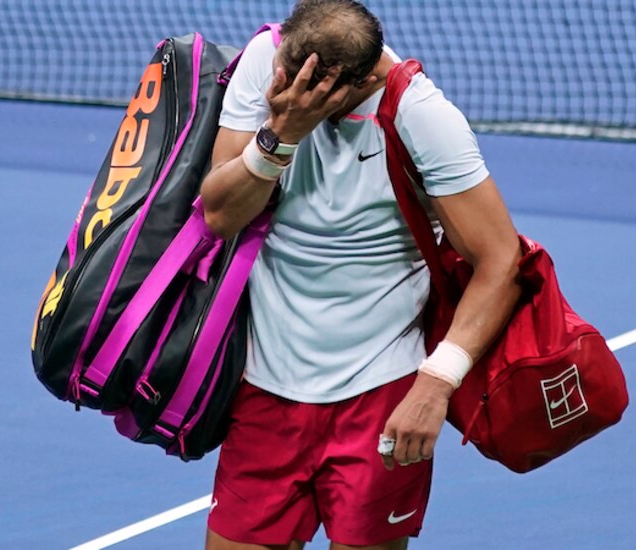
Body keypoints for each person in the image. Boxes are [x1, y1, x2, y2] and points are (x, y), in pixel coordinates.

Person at [200, 1, 522, 549]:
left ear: (354, 84)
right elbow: (220, 214)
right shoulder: (270, 64)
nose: (286, 89)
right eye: (284, 73)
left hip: (380, 397)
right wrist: (280, 135)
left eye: (307, 87)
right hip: (265, 390)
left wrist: (437, 382)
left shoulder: (423, 118)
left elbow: (501, 261)